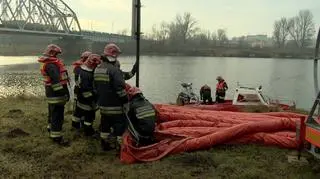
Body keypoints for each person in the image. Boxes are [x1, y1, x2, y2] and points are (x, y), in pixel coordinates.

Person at [94, 43, 129, 151]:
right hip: (115, 105)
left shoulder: (98, 68)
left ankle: (104, 144)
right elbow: (120, 89)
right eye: (117, 55)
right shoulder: (114, 70)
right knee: (120, 125)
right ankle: (120, 148)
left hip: (103, 105)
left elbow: (95, 87)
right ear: (113, 56)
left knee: (105, 124)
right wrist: (125, 102)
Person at [38, 44, 70, 146]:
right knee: (58, 115)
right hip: (56, 93)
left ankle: (50, 128)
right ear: (52, 53)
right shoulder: (51, 65)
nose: (57, 56)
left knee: (52, 111)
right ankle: (57, 137)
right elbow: (56, 82)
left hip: (50, 92)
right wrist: (64, 93)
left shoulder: (47, 63)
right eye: (56, 54)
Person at [72, 54, 101, 136]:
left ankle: (75, 126)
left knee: (78, 112)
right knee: (89, 116)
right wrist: (92, 102)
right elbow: (87, 91)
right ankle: (88, 132)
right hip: (87, 99)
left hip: (80, 97)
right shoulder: (88, 74)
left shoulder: (81, 69)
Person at [72, 51, 92, 129]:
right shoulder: (82, 68)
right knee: (83, 108)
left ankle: (76, 124)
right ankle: (82, 124)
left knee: (78, 107)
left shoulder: (78, 67)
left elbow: (77, 80)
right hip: (82, 90)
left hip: (78, 90)